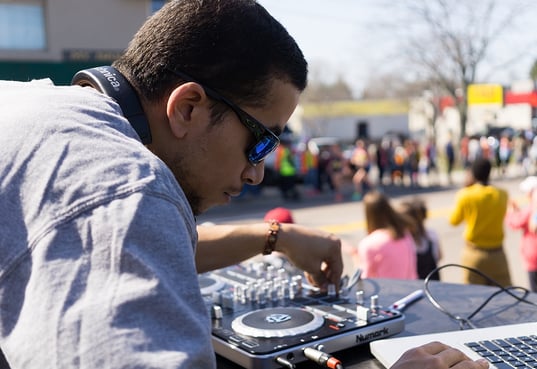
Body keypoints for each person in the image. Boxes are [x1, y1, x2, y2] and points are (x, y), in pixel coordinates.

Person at [0, 1, 489, 369]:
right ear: (188, 107)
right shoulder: (123, 185)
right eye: (260, 142)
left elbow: (125, 242)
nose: (257, 172)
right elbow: (122, 218)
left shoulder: (38, 108)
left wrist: (272, 237)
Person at [449, 157, 512, 286]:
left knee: (473, 297)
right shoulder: (502, 194)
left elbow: (453, 221)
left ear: (472, 174)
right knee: (506, 296)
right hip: (497, 254)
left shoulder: (465, 195)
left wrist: (466, 187)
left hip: (473, 254)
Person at [355, 191, 418, 279]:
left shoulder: (369, 244)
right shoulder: (404, 234)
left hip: (386, 291)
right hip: (410, 288)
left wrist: (356, 259)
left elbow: (365, 279)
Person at [505, 176, 537, 292]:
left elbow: (515, 223)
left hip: (533, 259)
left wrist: (510, 212)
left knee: (534, 293)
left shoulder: (532, 210)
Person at [399, 198, 442, 280]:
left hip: (415, 285)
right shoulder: (431, 234)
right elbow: (439, 256)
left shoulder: (405, 241)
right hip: (434, 282)